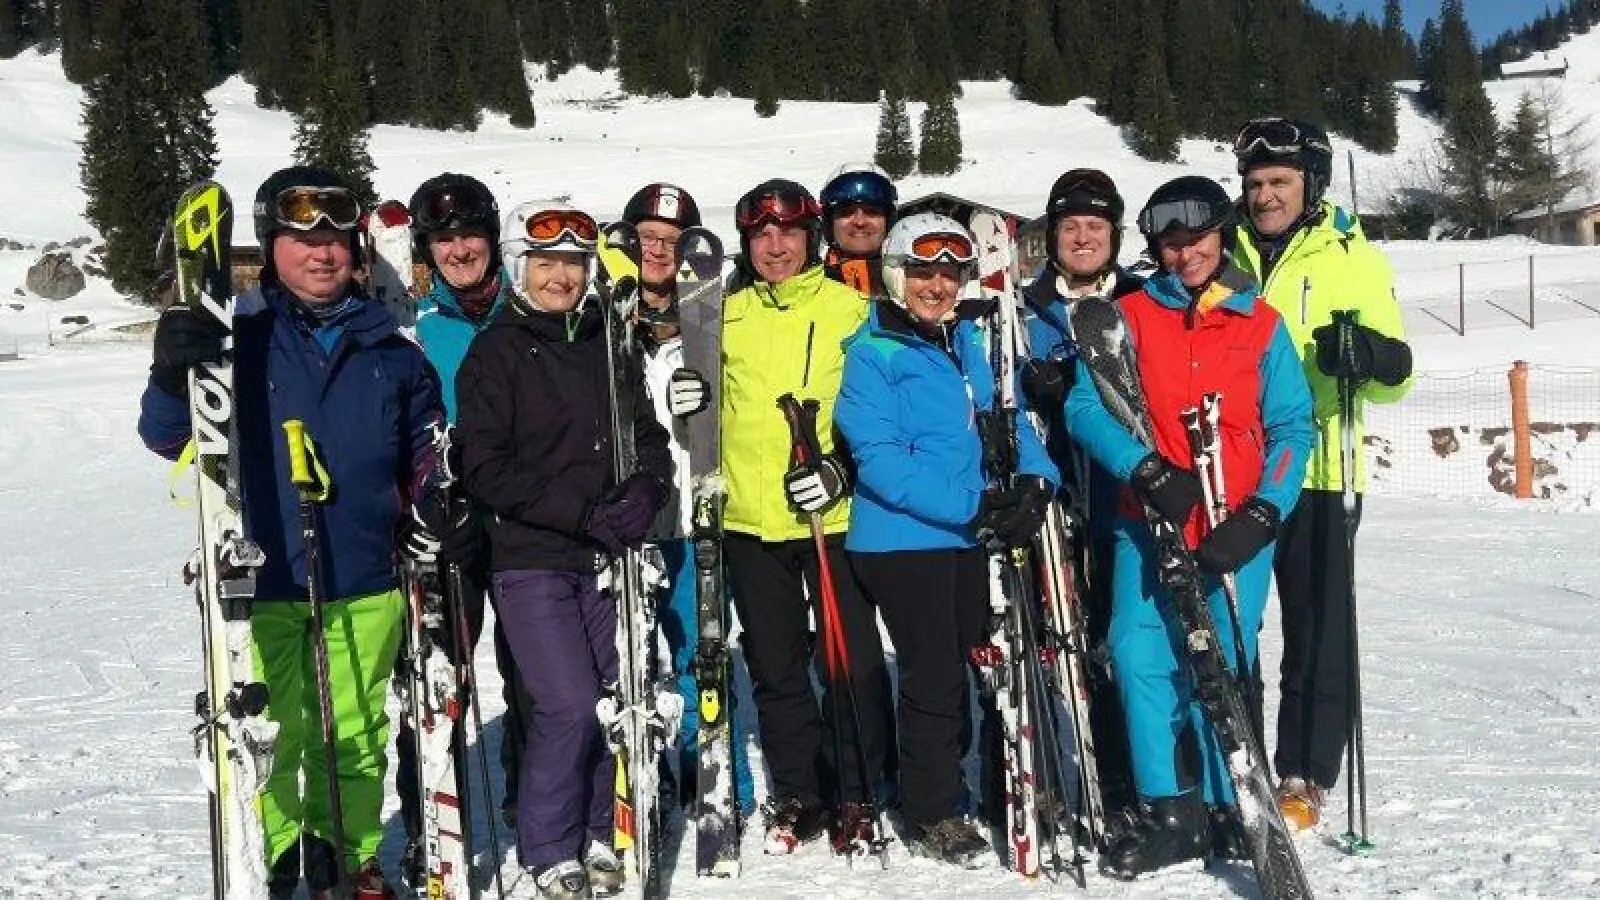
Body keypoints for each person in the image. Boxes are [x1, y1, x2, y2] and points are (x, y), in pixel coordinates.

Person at [139, 164, 444, 900]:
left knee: (357, 733)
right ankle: (279, 853)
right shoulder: (236, 336)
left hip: (366, 576)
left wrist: (436, 500)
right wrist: (173, 369)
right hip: (265, 578)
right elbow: (167, 434)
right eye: (303, 239)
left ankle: (348, 853)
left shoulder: (393, 347)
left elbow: (426, 448)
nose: (322, 253)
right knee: (273, 732)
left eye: (336, 240)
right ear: (271, 245)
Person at [1064, 175, 1313, 879]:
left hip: (1234, 527)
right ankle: (1172, 812)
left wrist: (1265, 510)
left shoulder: (1260, 324)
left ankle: (1226, 802)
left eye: (1197, 240)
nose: (1186, 255)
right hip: (1149, 521)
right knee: (1140, 654)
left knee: (1222, 661)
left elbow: (1293, 426)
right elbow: (1086, 408)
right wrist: (1143, 468)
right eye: (1171, 245)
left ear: (1222, 237)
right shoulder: (1129, 317)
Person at [454, 200, 672, 900]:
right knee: (568, 704)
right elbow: (485, 468)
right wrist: (581, 513)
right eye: (546, 262)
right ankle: (548, 843)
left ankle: (598, 828)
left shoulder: (607, 343)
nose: (561, 277)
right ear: (520, 267)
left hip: (607, 558)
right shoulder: (497, 352)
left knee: (613, 698)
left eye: (574, 263)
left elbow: (647, 434)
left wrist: (648, 488)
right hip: (532, 557)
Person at [834, 213, 1059, 867]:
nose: (937, 286)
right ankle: (931, 810)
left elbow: (1007, 418)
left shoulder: (967, 342)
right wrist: (975, 504)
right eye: (923, 272)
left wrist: (1036, 480)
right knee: (932, 674)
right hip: (902, 541)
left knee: (976, 665)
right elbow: (880, 462)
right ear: (896, 275)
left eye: (950, 274)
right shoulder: (873, 353)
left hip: (964, 534)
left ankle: (985, 783)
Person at [1230, 117, 1413, 831]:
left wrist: (1372, 356)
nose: (1264, 196)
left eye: (1279, 181)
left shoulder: (1351, 255)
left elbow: (1397, 374)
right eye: (1255, 183)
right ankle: (1232, 762)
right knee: (1231, 625)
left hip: (1320, 469)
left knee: (1316, 631)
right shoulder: (1225, 249)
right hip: (1237, 468)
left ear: (1311, 183)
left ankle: (1304, 771)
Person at [719, 178, 891, 855]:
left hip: (833, 516)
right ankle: (798, 789)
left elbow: (878, 409)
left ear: (812, 238)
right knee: (775, 662)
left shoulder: (853, 309)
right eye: (761, 234)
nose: (775, 245)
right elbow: (698, 413)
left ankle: (857, 782)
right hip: (750, 519)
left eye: (789, 231)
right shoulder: (723, 315)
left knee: (849, 656)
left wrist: (841, 468)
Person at [395, 172, 527, 874]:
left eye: (470, 234)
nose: (459, 250)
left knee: (535, 672)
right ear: (426, 250)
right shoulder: (417, 331)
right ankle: (433, 820)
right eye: (443, 240)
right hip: (449, 526)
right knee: (439, 678)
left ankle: (533, 802)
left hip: (527, 520)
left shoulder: (530, 308)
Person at [618, 181, 757, 816]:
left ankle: (717, 777)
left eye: (671, 242)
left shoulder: (713, 320)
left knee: (699, 655)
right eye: (647, 237)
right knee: (629, 660)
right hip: (628, 524)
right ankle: (648, 776)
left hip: (695, 516)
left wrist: (705, 410)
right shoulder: (603, 322)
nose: (657, 251)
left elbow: (747, 410)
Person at [1016, 168, 1144, 833]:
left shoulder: (1143, 301)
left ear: (1114, 235)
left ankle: (1143, 775)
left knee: (1132, 642)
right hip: (1059, 501)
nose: (1084, 238)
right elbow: (1001, 397)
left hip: (1132, 501)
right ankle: (1078, 774)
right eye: (1071, 227)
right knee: (1066, 641)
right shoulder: (1023, 309)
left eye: (1096, 226)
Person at [820, 163, 897, 298]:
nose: (860, 222)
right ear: (829, 223)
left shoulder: (915, 282)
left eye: (872, 212)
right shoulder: (809, 284)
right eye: (846, 213)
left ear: (888, 221)